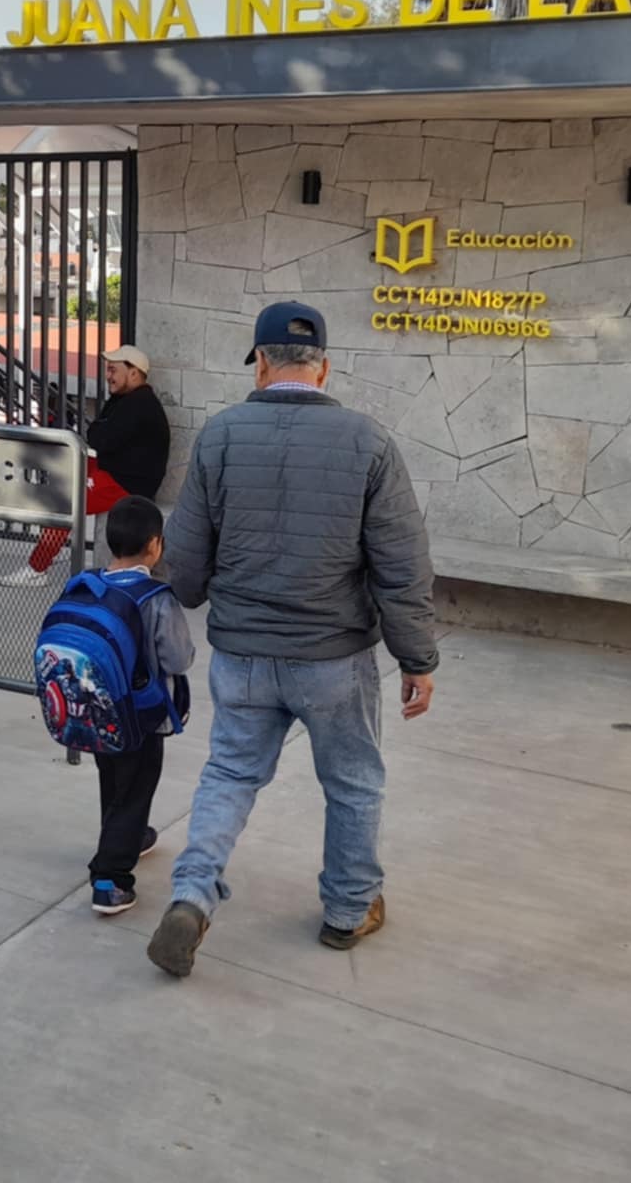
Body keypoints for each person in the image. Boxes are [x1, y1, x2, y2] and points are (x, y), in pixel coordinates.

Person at [145, 301, 437, 980]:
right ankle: (347, 910)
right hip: (334, 658)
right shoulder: (369, 443)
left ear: (263, 363)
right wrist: (416, 656)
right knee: (354, 782)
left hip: (244, 656)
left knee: (229, 775)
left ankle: (192, 895)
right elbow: (402, 562)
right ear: (325, 368)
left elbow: (184, 561)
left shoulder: (219, 437)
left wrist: (188, 594)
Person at [85, 496, 196, 917]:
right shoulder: (156, 598)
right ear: (154, 545)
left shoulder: (88, 584)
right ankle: (110, 880)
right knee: (136, 787)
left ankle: (127, 837)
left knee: (113, 780)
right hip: (141, 717)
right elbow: (178, 659)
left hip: (95, 712)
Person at [0, 344, 170, 588]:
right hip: (116, 472)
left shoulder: (138, 404)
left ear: (134, 373)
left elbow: (101, 438)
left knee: (64, 501)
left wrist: (101, 436)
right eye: (108, 370)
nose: (108, 376)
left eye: (113, 370)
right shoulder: (126, 399)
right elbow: (96, 434)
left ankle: (37, 568)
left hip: (125, 482)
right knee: (63, 482)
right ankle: (38, 566)